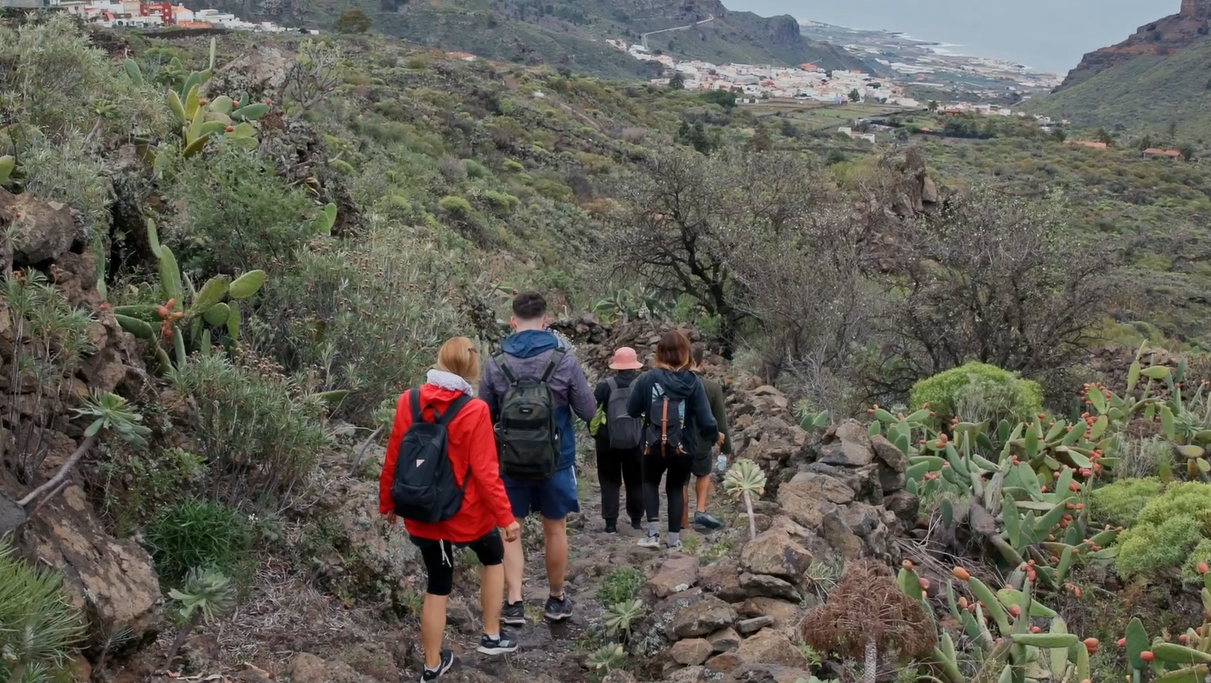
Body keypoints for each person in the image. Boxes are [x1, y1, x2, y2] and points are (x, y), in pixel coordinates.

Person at [378, 337, 522, 682]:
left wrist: (388, 503)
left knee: (437, 584)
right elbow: (486, 473)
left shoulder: (408, 401)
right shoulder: (474, 411)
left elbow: (394, 457)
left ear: (440, 361)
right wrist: (506, 518)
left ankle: (431, 666)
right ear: (471, 369)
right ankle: (491, 635)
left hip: (420, 510)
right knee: (493, 556)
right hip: (466, 515)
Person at [480, 292, 596, 624]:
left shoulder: (496, 362)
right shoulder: (564, 360)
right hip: (556, 462)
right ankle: (556, 599)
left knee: (509, 528)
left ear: (513, 320)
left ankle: (514, 602)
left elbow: (484, 415)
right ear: (545, 321)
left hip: (509, 461)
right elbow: (587, 410)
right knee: (555, 530)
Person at [626, 330, 720, 550]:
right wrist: (713, 437)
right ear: (686, 354)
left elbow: (632, 409)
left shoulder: (647, 379)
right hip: (684, 445)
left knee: (649, 483)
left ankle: (652, 535)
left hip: (652, 444)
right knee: (675, 488)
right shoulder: (694, 383)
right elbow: (706, 419)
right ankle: (673, 540)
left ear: (659, 353)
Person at [592, 347, 646, 533]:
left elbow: (591, 411)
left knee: (609, 480)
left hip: (607, 441)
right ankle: (637, 520)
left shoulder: (604, 386)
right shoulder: (642, 384)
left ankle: (610, 523)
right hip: (636, 440)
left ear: (616, 366)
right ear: (634, 365)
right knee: (636, 480)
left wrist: (597, 433)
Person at [682, 346, 733, 531]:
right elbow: (721, 420)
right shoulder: (712, 388)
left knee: (681, 481)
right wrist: (726, 448)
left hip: (679, 442)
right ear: (701, 363)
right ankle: (701, 510)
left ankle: (682, 519)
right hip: (703, 443)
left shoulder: (675, 385)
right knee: (703, 474)